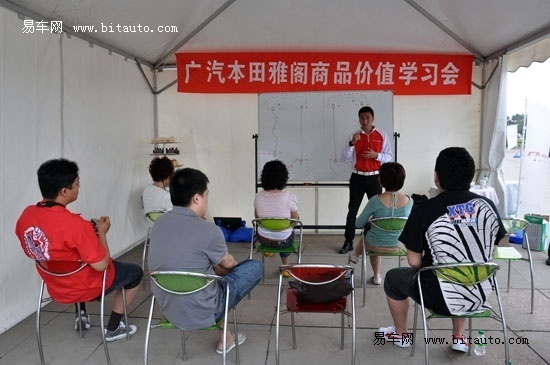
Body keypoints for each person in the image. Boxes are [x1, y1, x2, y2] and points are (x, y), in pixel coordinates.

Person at [379, 147, 506, 352]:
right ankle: (459, 338)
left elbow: (413, 262)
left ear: (436, 176)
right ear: (471, 176)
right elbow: (494, 248)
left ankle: (400, 335)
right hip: (478, 293)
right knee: (462, 270)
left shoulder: (424, 210)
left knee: (393, 278)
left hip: (439, 296)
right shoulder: (487, 205)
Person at [15, 158, 143, 342]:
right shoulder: (76, 225)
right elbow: (101, 265)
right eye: (77, 184)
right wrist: (101, 233)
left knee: (73, 260)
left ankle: (81, 313)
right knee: (135, 273)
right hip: (86, 286)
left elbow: (45, 245)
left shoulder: (27, 215)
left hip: (55, 285)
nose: (79, 187)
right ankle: (113, 329)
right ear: (64, 191)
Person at [148, 167, 263, 355]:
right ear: (196, 198)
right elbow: (230, 266)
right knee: (253, 267)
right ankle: (225, 338)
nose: (207, 200)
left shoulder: (158, 224)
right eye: (206, 195)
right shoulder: (209, 230)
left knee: (206, 272)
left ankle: (225, 336)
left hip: (169, 308)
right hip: (206, 311)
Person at [348, 162, 413, 285]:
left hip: (374, 244)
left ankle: (376, 274)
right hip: (399, 245)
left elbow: (358, 223)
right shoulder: (409, 201)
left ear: (381, 180)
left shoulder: (375, 201)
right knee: (375, 233)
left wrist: (373, 220)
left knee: (368, 234)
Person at [340, 106, 392, 254]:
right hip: (357, 177)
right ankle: (348, 241)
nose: (365, 121)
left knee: (378, 211)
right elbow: (344, 157)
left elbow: (389, 156)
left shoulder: (382, 135)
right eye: (362, 118)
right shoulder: (354, 135)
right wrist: (351, 143)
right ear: (359, 119)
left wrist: (377, 155)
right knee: (352, 210)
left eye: (368, 117)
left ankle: (376, 241)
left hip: (375, 177)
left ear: (373, 118)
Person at [254, 160, 300, 277]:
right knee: (288, 232)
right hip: (284, 240)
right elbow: (295, 219)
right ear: (284, 178)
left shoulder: (258, 196)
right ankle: (285, 268)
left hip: (263, 238)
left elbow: (257, 217)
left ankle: (268, 249)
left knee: (271, 230)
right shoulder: (289, 196)